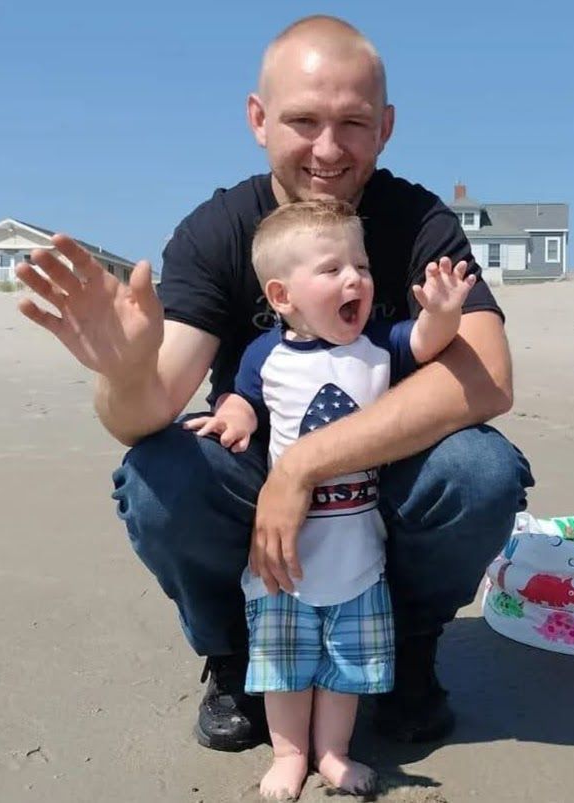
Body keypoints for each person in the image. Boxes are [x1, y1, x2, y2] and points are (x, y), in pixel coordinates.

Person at [16, 14, 534, 755]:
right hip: (259, 477)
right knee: (157, 473)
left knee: (481, 469)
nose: (329, 149)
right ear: (258, 120)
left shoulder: (417, 221)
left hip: (388, 478)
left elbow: (487, 377)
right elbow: (147, 411)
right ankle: (232, 655)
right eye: (303, 120)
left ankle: (412, 650)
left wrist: (306, 464)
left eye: (353, 122)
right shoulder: (219, 231)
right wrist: (125, 373)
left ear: (385, 127)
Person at [184, 199, 478, 798]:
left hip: (359, 554)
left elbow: (424, 342)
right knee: (287, 666)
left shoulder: (378, 346)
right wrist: (233, 417)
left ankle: (333, 753)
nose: (356, 280)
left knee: (345, 667)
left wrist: (445, 314)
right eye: (332, 269)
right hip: (284, 560)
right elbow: (241, 396)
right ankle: (290, 755)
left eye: (362, 267)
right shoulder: (267, 356)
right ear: (282, 295)